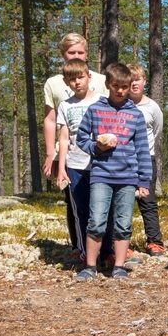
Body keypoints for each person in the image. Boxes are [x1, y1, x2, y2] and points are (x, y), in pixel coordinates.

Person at [73, 62, 151, 281]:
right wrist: (96, 148)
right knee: (96, 220)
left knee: (123, 223)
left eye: (125, 86)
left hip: (127, 177)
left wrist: (144, 180)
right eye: (116, 85)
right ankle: (90, 266)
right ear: (107, 84)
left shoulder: (135, 114)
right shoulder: (95, 109)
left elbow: (143, 150)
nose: (120, 90)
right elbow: (81, 138)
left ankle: (119, 267)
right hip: (101, 175)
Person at [43, 34, 107, 266]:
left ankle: (108, 248)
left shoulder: (101, 80)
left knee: (104, 202)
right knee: (75, 204)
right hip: (71, 155)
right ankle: (78, 247)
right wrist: (51, 154)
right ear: (63, 54)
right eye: (71, 53)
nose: (76, 56)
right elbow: (52, 121)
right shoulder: (53, 83)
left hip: (101, 157)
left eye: (80, 52)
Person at [54, 59, 99, 269]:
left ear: (89, 76)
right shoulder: (65, 105)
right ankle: (83, 252)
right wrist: (61, 168)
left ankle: (106, 252)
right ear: (66, 82)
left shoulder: (102, 101)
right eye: (72, 79)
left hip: (101, 165)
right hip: (75, 165)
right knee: (80, 211)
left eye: (80, 77)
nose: (77, 82)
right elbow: (63, 138)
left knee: (102, 210)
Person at [126, 63, 166, 256]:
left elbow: (157, 131)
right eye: (131, 80)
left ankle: (155, 242)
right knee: (122, 203)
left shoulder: (152, 107)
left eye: (138, 79)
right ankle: (121, 243)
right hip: (122, 161)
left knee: (147, 202)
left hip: (146, 160)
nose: (134, 84)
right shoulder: (120, 104)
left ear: (144, 81)